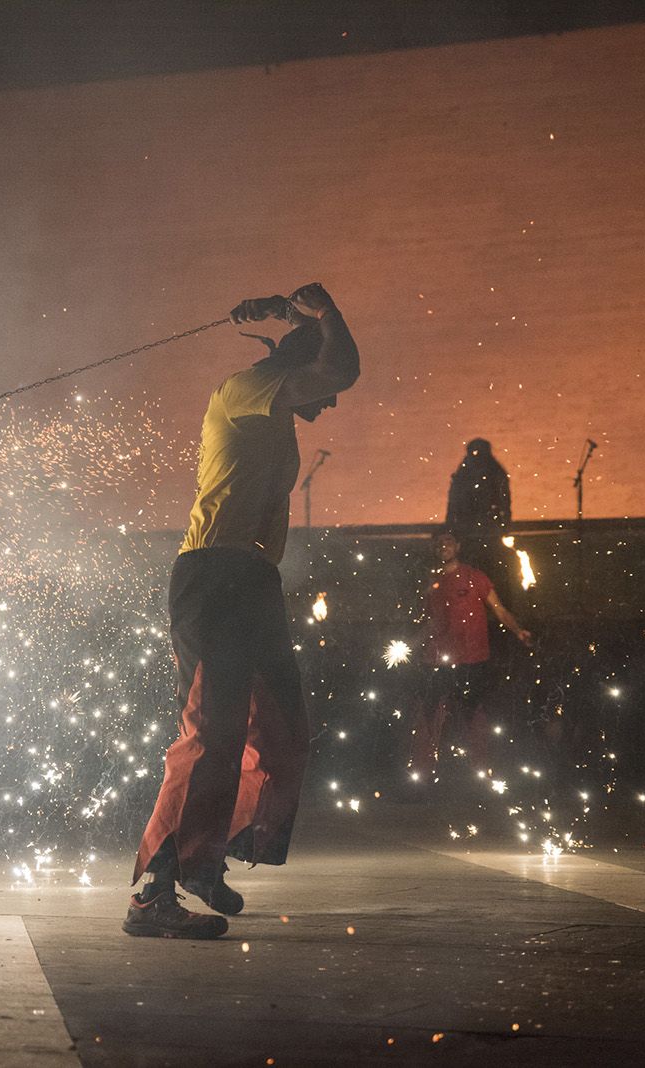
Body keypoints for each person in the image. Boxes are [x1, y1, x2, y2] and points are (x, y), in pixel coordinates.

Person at [124, 283, 359, 940]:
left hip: (251, 580)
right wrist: (325, 314)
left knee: (280, 732)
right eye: (318, 389)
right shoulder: (246, 390)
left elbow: (328, 373)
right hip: (214, 575)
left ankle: (202, 859)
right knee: (211, 735)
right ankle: (154, 893)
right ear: (293, 368)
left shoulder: (272, 407)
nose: (329, 402)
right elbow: (340, 369)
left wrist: (292, 317)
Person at [406, 530, 532, 785]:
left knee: (473, 715)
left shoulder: (474, 578)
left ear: (458, 546)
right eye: (439, 543)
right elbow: (431, 623)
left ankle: (479, 773)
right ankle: (424, 775)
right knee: (431, 714)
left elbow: (499, 609)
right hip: (438, 660)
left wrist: (518, 630)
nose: (444, 546)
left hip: (472, 660)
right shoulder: (432, 583)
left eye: (448, 542)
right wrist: (411, 645)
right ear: (434, 549)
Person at [446, 438, 514, 599]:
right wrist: (505, 526)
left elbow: (453, 504)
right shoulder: (493, 472)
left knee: (482, 570)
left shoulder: (466, 474)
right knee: (485, 571)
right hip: (481, 532)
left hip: (478, 532)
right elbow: (505, 503)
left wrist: (451, 526)